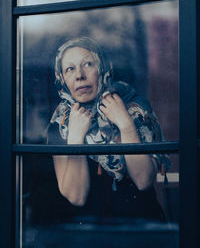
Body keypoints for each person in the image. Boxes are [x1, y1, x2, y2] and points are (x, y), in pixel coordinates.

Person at [47, 37, 170, 222]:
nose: (79, 75)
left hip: (141, 227)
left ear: (102, 69)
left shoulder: (135, 107)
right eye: (70, 69)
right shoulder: (60, 123)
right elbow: (76, 196)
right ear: (61, 78)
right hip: (87, 230)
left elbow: (144, 181)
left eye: (88, 64)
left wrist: (126, 125)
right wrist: (75, 138)